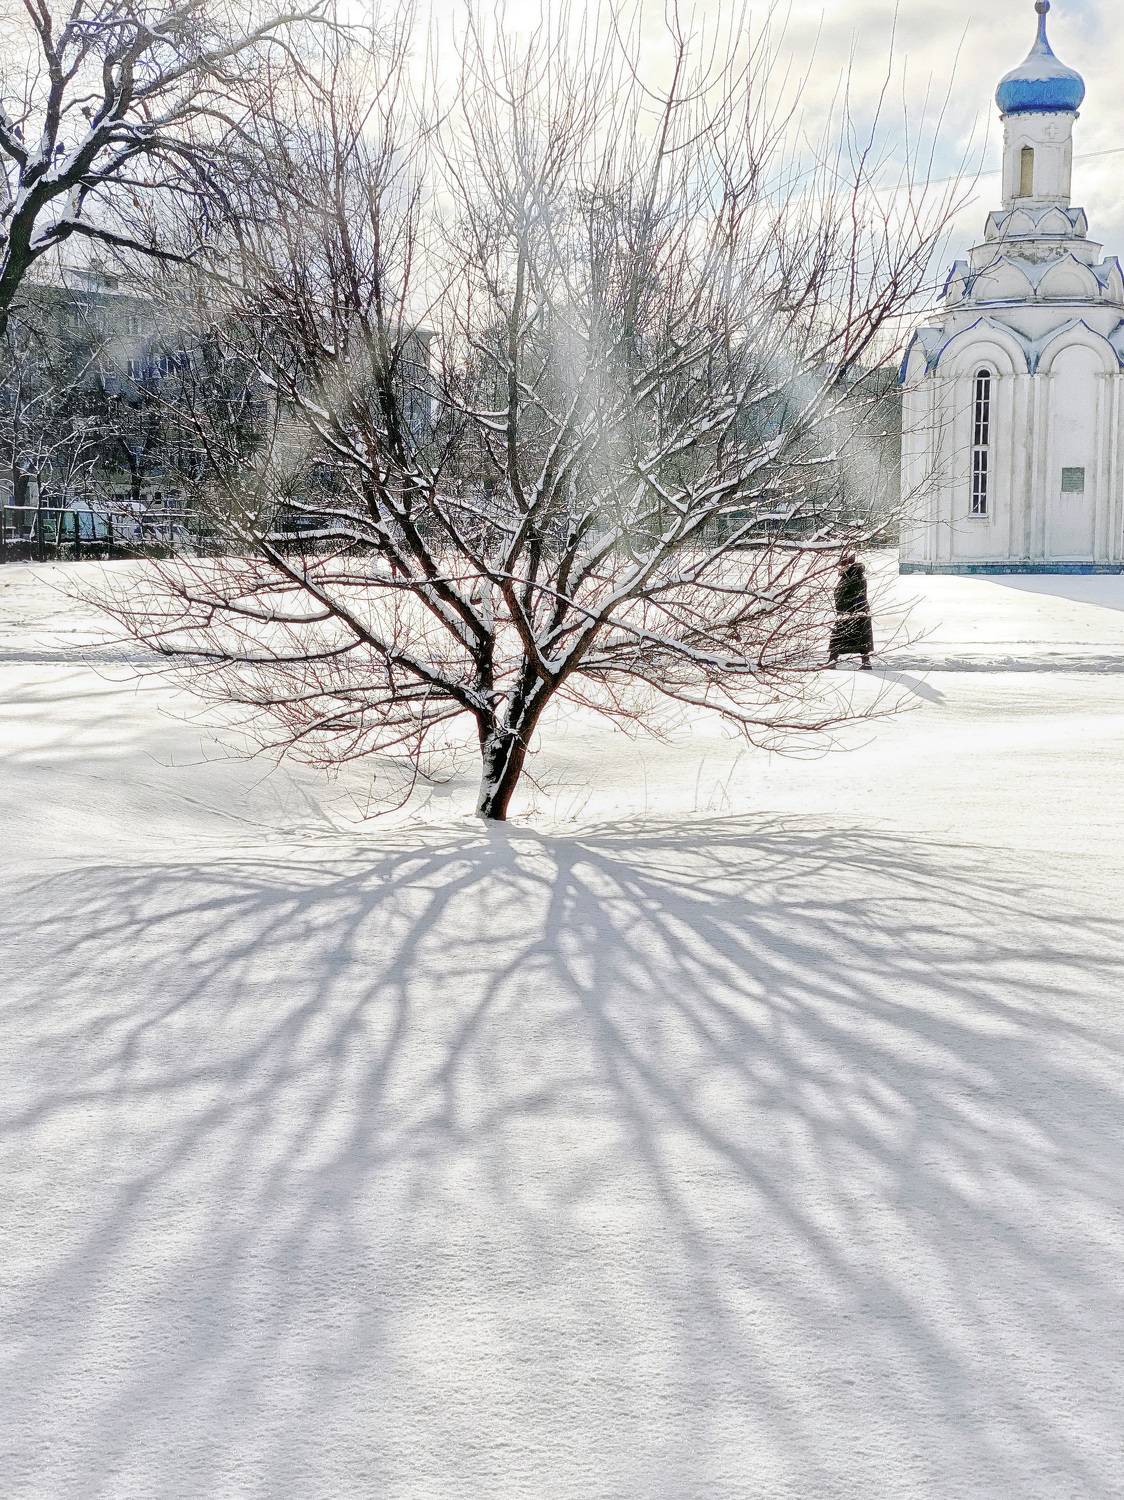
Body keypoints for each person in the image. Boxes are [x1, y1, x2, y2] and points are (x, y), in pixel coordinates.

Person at [828, 553, 874, 670]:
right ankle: (865, 662)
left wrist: (847, 609)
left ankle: (832, 661)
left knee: (839, 637)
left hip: (852, 612)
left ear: (846, 565)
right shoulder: (852, 575)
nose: (839, 568)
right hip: (854, 612)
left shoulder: (852, 577)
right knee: (860, 637)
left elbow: (850, 595)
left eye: (841, 565)